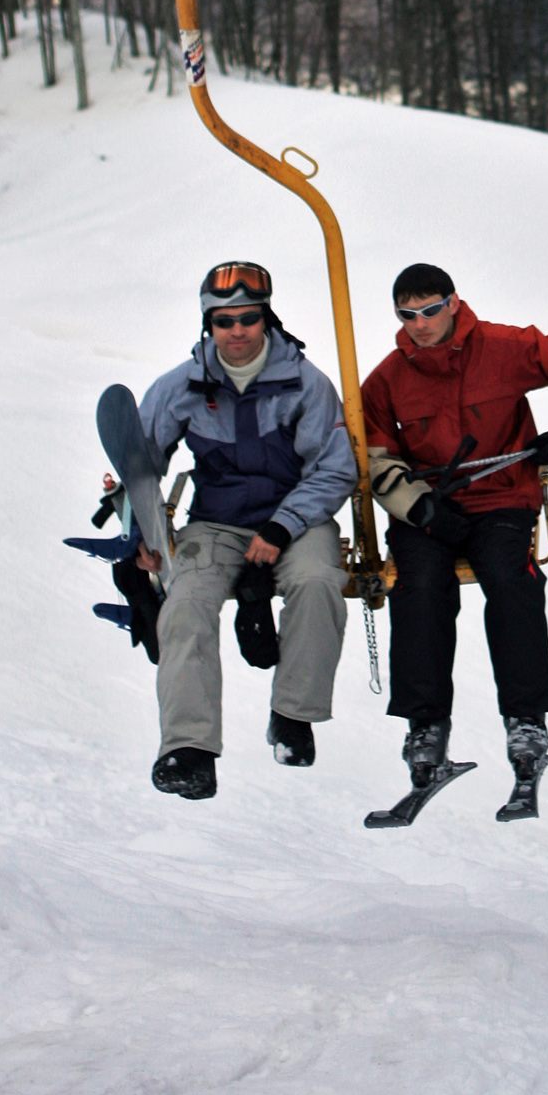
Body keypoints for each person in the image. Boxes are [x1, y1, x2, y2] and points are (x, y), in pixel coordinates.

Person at [362, 264, 548, 819]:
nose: (421, 325)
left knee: (509, 577)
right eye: (408, 315)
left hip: (502, 496)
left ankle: (526, 721)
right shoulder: (386, 380)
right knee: (419, 585)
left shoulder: (501, 346)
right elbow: (376, 458)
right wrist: (417, 505)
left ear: (453, 304)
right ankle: (426, 728)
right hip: (429, 506)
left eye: (430, 310)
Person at [137, 261, 358, 802]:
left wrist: (282, 527)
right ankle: (188, 749)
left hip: (296, 519)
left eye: (248, 319)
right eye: (224, 321)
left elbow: (335, 467)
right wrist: (139, 531)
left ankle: (293, 715)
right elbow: (140, 463)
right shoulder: (181, 387)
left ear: (266, 319)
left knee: (317, 581)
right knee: (186, 601)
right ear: (208, 326)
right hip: (216, 523)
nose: (237, 332)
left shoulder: (304, 383)